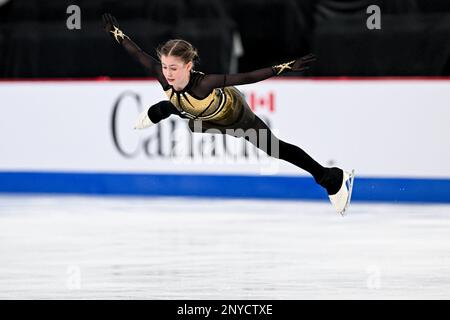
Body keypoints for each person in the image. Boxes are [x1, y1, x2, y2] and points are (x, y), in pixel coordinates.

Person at [101, 13, 354, 215]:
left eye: (174, 68)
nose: (168, 73)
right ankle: (163, 109)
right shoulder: (163, 76)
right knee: (191, 124)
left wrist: (286, 67)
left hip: (237, 115)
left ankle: (330, 178)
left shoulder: (204, 84)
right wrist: (116, 32)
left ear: (188, 66)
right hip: (205, 119)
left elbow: (246, 77)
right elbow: (136, 53)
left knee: (275, 149)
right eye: (166, 66)